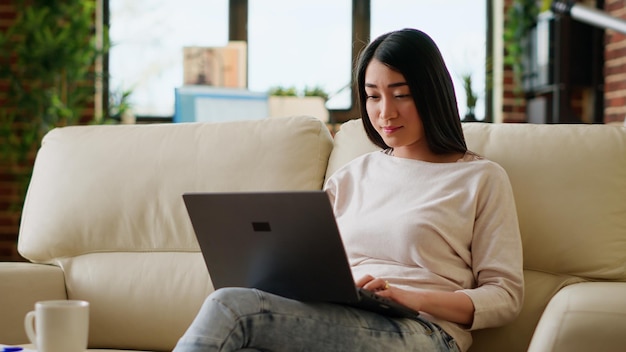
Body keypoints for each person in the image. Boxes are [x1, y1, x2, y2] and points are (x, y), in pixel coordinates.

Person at [173, 28, 524, 352]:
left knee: (230, 306)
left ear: (433, 93)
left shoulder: (480, 178)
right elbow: (312, 264)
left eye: (401, 94)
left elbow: (505, 295)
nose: (385, 112)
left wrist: (410, 297)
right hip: (338, 315)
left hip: (424, 330)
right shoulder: (352, 175)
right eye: (373, 96)